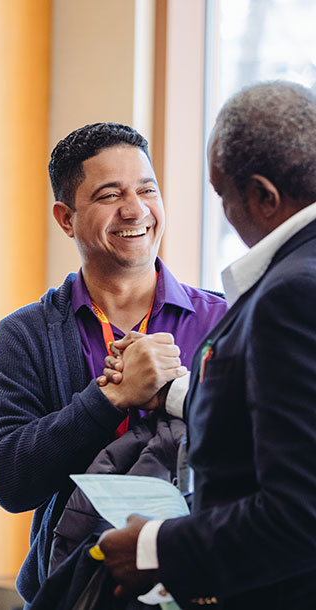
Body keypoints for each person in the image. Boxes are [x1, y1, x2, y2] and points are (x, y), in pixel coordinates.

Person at [0, 122, 227, 607]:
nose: (135, 210)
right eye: (110, 195)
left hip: (203, 586)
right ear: (66, 218)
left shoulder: (224, 320)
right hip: (74, 592)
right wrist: (109, 397)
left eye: (146, 190)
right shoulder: (27, 334)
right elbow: (9, 480)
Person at [99, 81, 316, 610]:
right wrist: (169, 392)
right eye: (109, 195)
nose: (133, 210)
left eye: (222, 193)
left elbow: (301, 512)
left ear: (264, 196)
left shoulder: (289, 294)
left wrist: (153, 547)